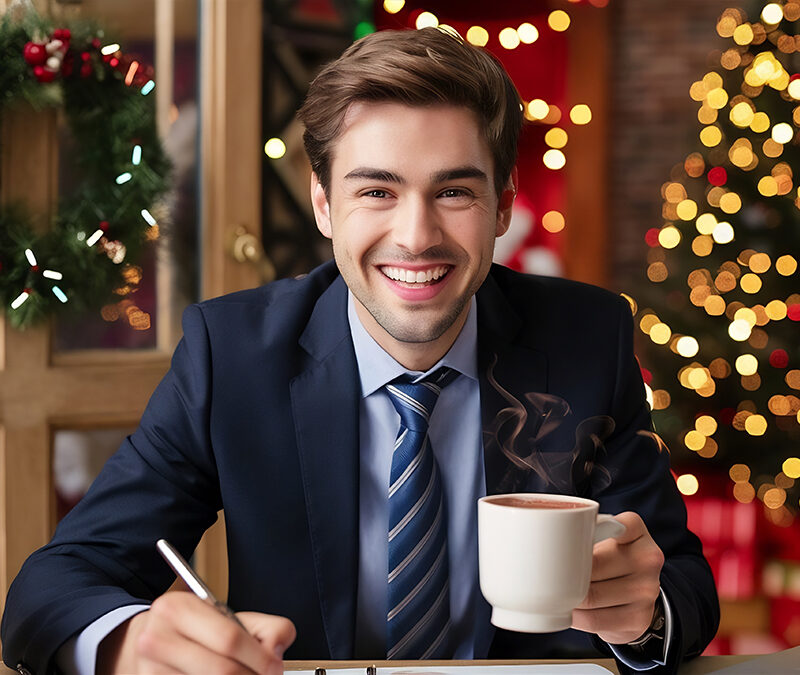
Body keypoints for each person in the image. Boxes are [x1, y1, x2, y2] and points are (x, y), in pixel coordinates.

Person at [2, 27, 719, 675]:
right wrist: (128, 644)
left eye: (454, 192)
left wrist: (645, 614)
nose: (416, 236)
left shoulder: (587, 336)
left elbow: (682, 584)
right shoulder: (233, 356)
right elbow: (51, 587)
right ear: (323, 204)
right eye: (377, 190)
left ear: (503, 205)